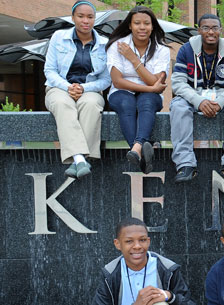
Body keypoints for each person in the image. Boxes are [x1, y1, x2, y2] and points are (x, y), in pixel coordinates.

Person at [170, 14, 224, 183]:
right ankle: (185, 164)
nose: (210, 32)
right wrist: (199, 101)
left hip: (222, 96)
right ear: (199, 30)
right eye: (206, 28)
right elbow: (178, 83)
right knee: (178, 106)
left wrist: (220, 102)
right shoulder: (186, 49)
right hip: (193, 95)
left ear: (221, 30)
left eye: (215, 28)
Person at [43, 1, 111, 179]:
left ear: (95, 19)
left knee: (91, 105)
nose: (85, 21)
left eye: (90, 17)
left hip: (90, 89)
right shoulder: (58, 37)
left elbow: (106, 79)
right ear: (73, 17)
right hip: (59, 87)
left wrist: (83, 87)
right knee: (62, 103)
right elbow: (49, 70)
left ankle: (77, 160)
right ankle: (80, 158)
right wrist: (68, 87)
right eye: (81, 16)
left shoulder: (104, 44)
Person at [106, 6, 170, 174]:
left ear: (152, 26)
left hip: (150, 95)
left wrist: (133, 59)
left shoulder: (162, 50)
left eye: (146, 23)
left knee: (147, 101)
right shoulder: (117, 46)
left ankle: (136, 149)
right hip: (121, 92)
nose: (142, 27)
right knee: (126, 103)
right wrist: (151, 87)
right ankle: (140, 149)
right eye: (137, 23)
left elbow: (155, 81)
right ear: (130, 25)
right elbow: (118, 81)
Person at [92, 217, 194, 305]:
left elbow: (189, 302)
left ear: (148, 241)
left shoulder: (168, 269)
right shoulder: (109, 274)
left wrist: (170, 297)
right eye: (129, 241)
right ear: (117, 244)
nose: (137, 246)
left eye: (142, 240)